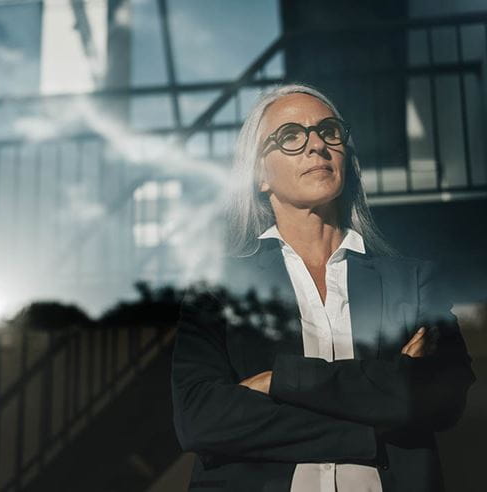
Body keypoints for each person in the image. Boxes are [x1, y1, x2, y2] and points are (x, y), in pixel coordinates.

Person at [170, 83, 476, 492]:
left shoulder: (414, 281)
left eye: (329, 131)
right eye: (290, 136)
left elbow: (440, 399)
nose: (316, 145)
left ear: (346, 156)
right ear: (260, 175)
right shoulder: (218, 289)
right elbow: (200, 419)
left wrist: (280, 381)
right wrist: (372, 424)